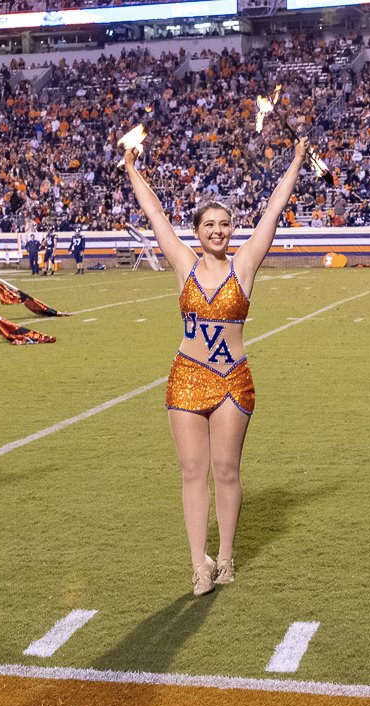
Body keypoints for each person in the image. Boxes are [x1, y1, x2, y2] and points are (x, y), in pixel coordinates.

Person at [123, 137, 309, 596]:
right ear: (197, 230)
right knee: (192, 471)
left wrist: (297, 163)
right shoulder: (182, 263)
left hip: (232, 381)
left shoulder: (244, 265)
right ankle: (198, 566)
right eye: (210, 224)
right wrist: (131, 169)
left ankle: (224, 557)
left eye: (225, 224)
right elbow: (155, 216)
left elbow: (273, 210)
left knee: (226, 470)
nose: (218, 231)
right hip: (187, 376)